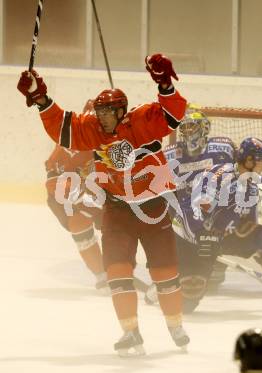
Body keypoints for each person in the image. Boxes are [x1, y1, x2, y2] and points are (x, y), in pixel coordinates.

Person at [17, 54, 190, 356]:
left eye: (109, 111)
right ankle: (130, 332)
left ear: (123, 110)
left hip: (154, 208)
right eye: (100, 111)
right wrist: (41, 98)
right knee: (117, 272)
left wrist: (164, 85)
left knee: (164, 273)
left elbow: (174, 115)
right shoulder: (93, 128)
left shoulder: (143, 120)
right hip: (117, 209)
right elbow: (63, 128)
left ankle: (174, 324)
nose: (103, 117)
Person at [172, 137, 262, 315]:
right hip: (194, 239)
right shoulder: (218, 176)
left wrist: (246, 225)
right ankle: (166, 285)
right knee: (187, 302)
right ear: (248, 161)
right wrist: (201, 235)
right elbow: (189, 210)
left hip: (224, 236)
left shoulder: (254, 181)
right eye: (261, 163)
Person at [150, 106, 236, 310]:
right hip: (181, 216)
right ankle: (170, 275)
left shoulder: (223, 149)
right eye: (184, 128)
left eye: (191, 127)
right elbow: (159, 189)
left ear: (204, 128)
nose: (187, 132)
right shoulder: (171, 154)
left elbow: (238, 180)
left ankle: (216, 266)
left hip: (213, 214)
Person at [44, 100, 107, 292]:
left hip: (105, 190)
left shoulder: (120, 137)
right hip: (75, 193)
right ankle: (101, 274)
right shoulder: (69, 143)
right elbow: (54, 181)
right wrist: (76, 194)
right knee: (79, 223)